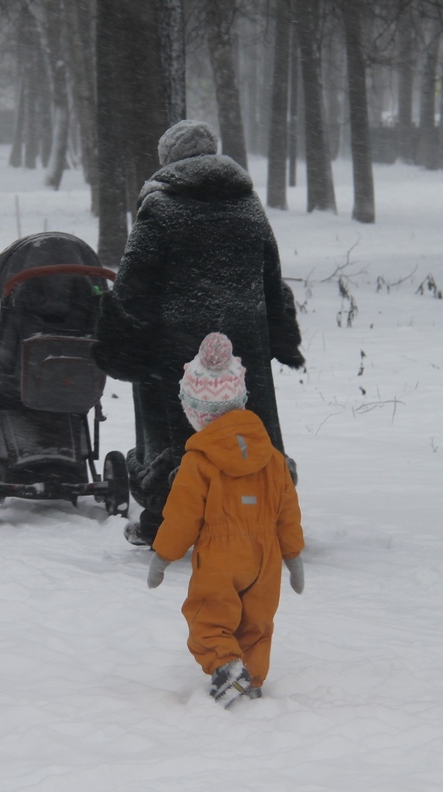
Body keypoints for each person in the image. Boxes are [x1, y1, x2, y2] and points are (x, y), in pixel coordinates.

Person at [93, 119, 304, 547]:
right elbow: (271, 279)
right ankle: (262, 513)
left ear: (169, 160)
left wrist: (118, 335)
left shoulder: (162, 207)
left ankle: (164, 520)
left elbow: (134, 282)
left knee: (176, 434)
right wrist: (279, 336)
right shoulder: (248, 206)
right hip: (244, 346)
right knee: (248, 426)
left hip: (178, 346)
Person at [146, 333, 305, 708]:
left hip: (220, 555)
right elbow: (287, 511)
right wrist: (293, 557)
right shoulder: (272, 457)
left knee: (209, 617)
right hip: (264, 558)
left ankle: (228, 668)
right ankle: (251, 680)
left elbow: (181, 516)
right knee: (257, 623)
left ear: (196, 412)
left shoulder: (199, 461)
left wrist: (163, 556)